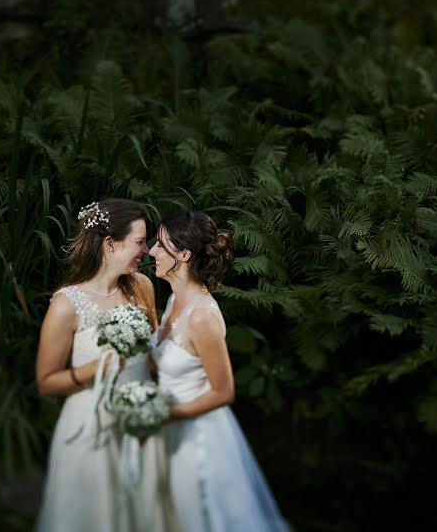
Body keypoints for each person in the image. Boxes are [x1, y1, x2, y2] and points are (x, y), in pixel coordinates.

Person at [35, 198, 178, 532]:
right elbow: (46, 381)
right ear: (111, 244)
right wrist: (98, 367)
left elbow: (154, 358)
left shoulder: (141, 288)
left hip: (141, 425)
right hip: (92, 428)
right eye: (140, 241)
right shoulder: (66, 304)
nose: (146, 250)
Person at [149, 210, 288, 531]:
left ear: (183, 255)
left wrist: (166, 414)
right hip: (168, 434)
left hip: (197, 443)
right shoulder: (173, 301)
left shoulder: (202, 317)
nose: (152, 252)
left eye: (159, 245)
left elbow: (224, 391)